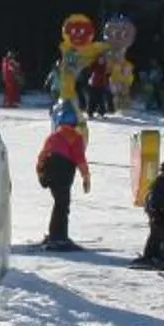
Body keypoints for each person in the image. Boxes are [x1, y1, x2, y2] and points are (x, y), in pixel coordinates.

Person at [37, 101, 91, 251]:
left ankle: (56, 234)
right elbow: (79, 158)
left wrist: (40, 172)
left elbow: (42, 155)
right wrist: (86, 177)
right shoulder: (75, 137)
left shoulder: (53, 136)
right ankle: (58, 237)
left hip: (49, 171)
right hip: (63, 172)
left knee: (59, 203)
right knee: (62, 205)